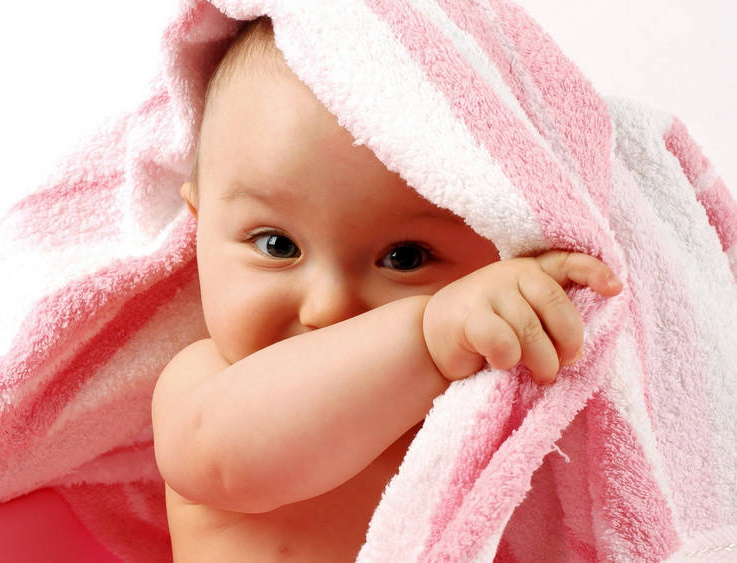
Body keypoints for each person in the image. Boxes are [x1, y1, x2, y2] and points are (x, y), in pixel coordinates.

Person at [151, 17, 622, 562]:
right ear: (198, 229)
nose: (329, 308)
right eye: (277, 245)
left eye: (404, 258)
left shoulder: (492, 402)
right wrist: (427, 336)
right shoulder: (204, 383)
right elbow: (222, 462)